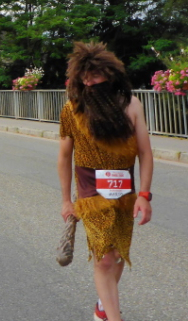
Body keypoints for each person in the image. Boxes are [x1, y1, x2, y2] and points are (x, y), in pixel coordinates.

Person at [57, 42, 153, 321]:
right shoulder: (72, 109)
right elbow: (64, 157)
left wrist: (144, 195)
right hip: (90, 193)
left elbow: (145, 153)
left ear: (110, 75)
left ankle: (103, 304)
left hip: (125, 193)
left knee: (118, 252)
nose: (90, 82)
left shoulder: (131, 104)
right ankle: (112, 317)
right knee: (104, 258)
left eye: (95, 76)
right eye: (85, 77)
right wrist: (66, 200)